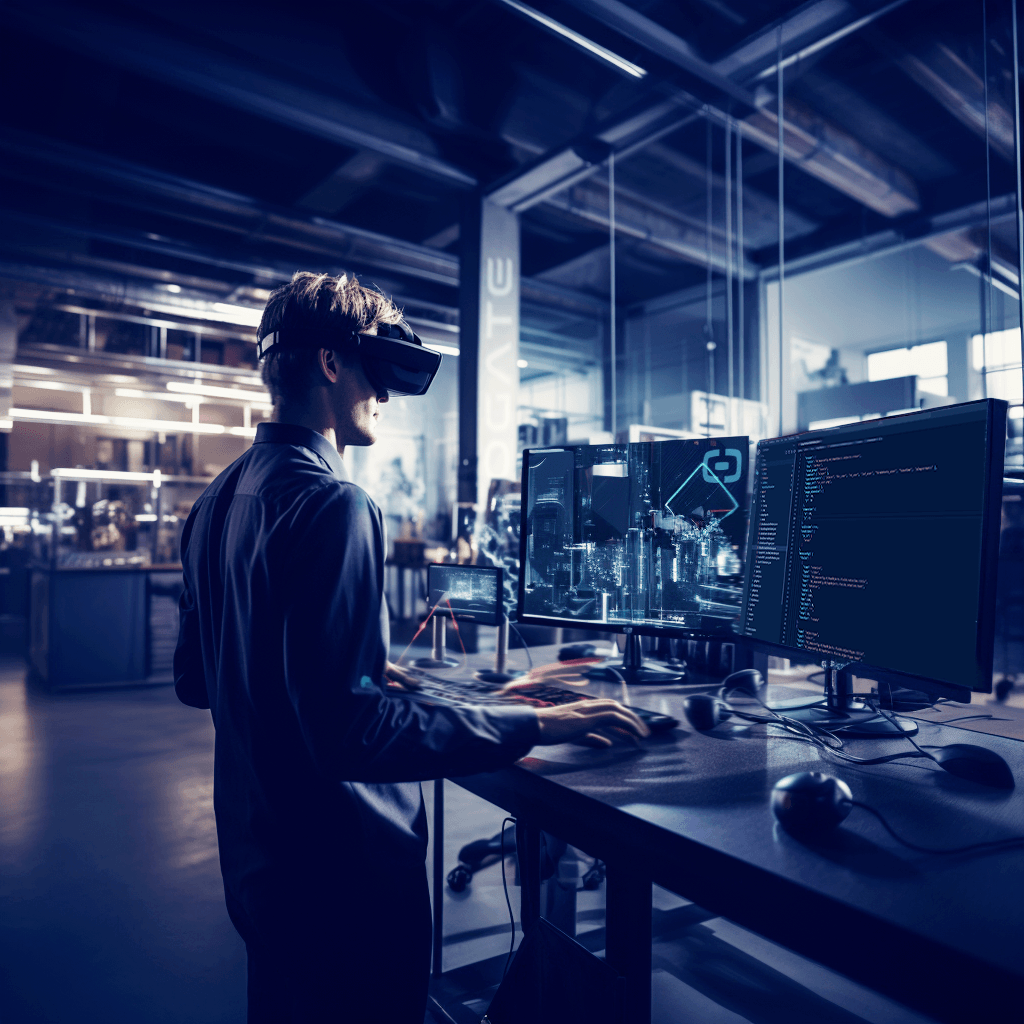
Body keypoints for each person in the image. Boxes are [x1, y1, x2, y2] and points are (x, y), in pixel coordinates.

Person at [173, 272, 648, 1023]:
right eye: (375, 374)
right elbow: (350, 735)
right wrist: (536, 724)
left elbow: (203, 679)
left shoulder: (216, 499)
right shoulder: (334, 504)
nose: (385, 399)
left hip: (262, 862)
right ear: (331, 364)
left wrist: (395, 676)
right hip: (343, 882)